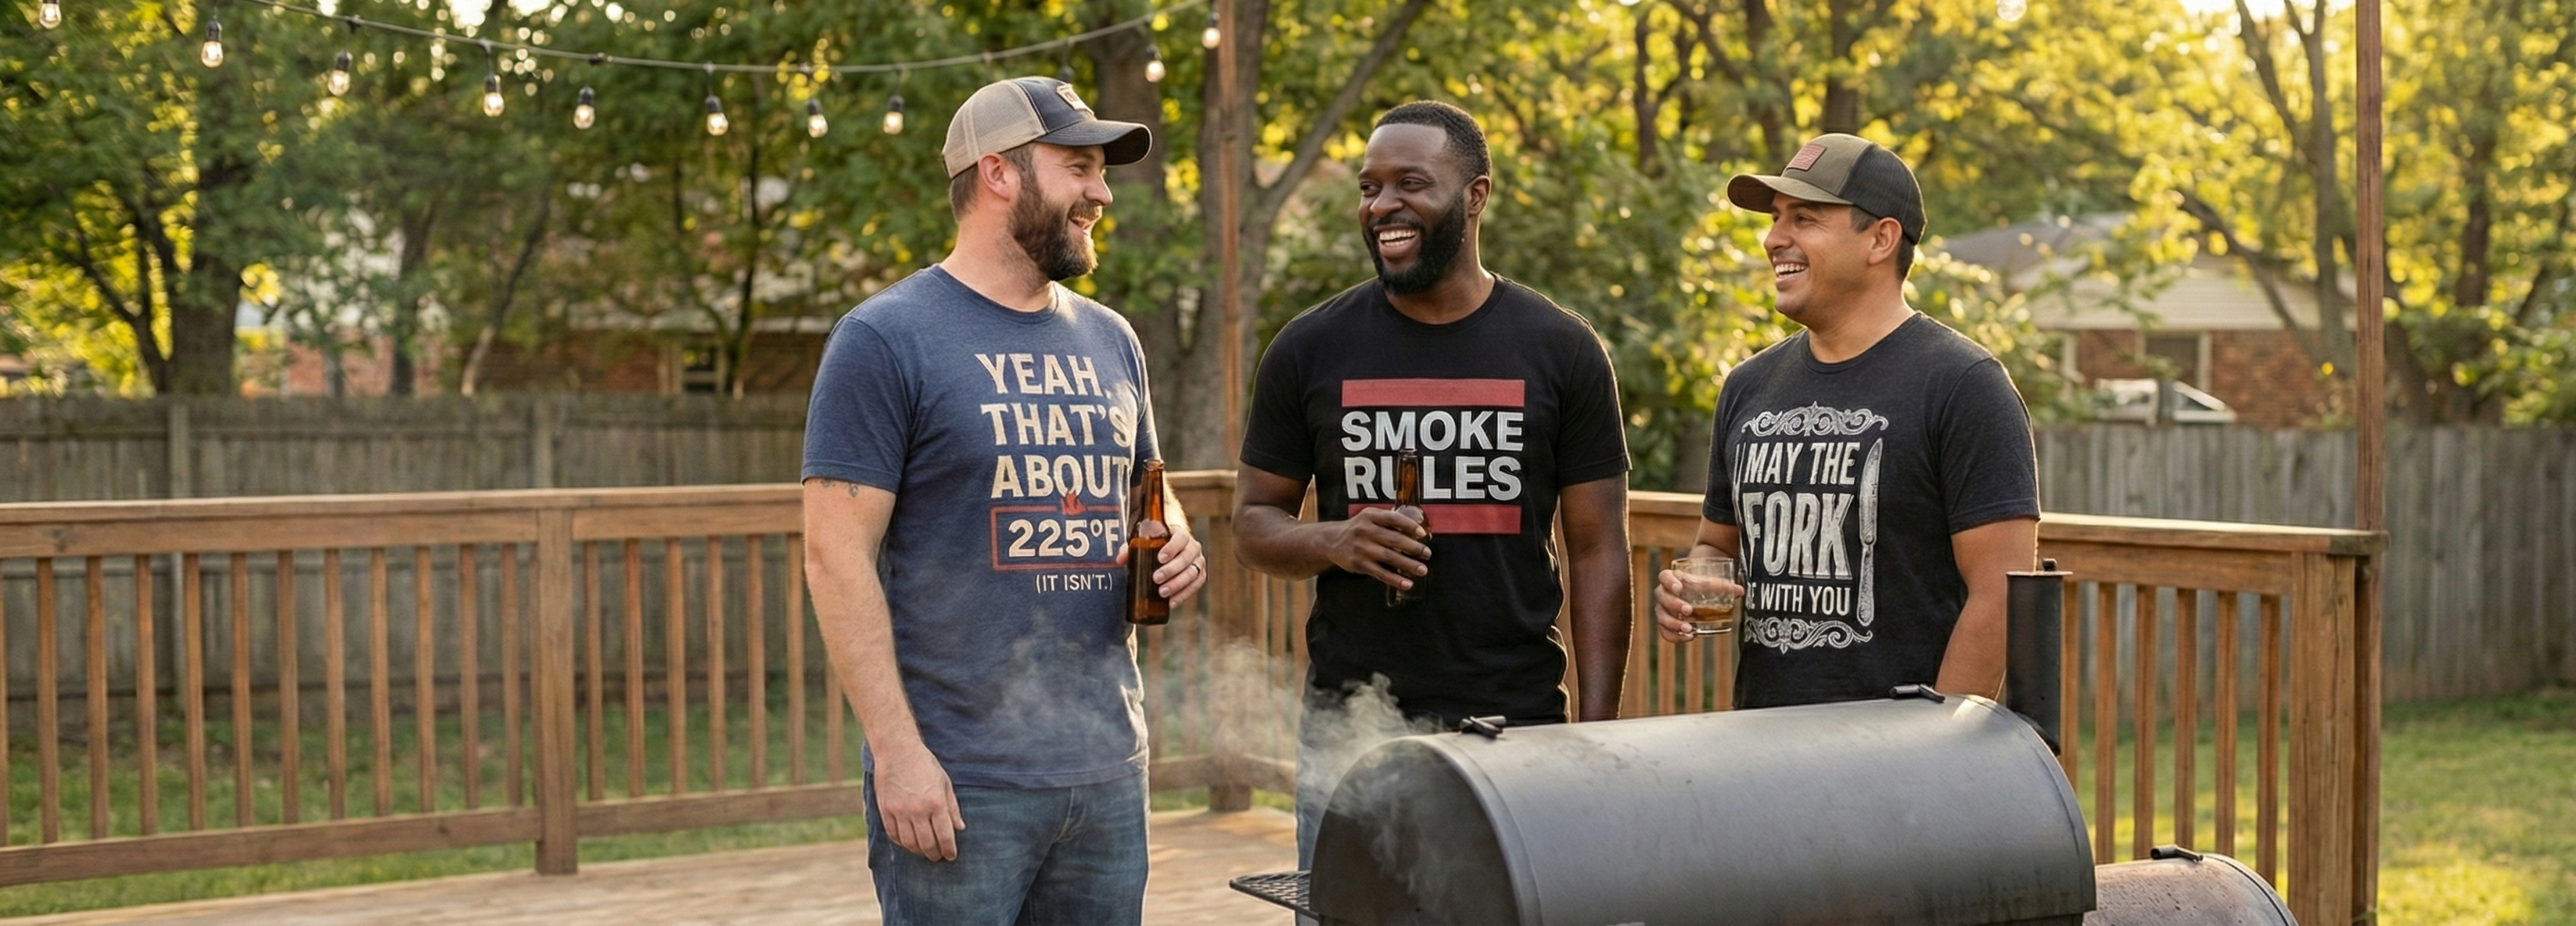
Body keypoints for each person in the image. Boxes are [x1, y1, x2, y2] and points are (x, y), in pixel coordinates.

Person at [801, 76, 1209, 926]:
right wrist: (898, 754)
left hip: (1107, 769)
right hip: (961, 780)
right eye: (1078, 168)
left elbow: (1148, 488)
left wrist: (1176, 537)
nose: (1101, 194)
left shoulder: (1112, 338)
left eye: (1101, 173)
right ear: (998, 172)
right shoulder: (884, 338)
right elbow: (835, 557)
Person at [1231, 100, 1633, 867]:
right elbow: (1253, 522)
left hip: (1514, 728)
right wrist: (1334, 540)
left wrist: (1595, 730)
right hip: (1352, 732)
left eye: (1409, 183)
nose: (1382, 205)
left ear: (1475, 196)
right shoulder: (1309, 347)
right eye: (1369, 187)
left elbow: (1597, 550)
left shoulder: (1562, 349)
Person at [1652, 132, 2039, 708]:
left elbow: (2001, 593)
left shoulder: (1964, 384)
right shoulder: (1748, 386)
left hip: (1898, 748)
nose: (1773, 239)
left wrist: (1938, 743)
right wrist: (1691, 584)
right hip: (1761, 740)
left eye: (1804, 219)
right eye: (1776, 218)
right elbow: (1715, 543)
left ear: (1881, 239)